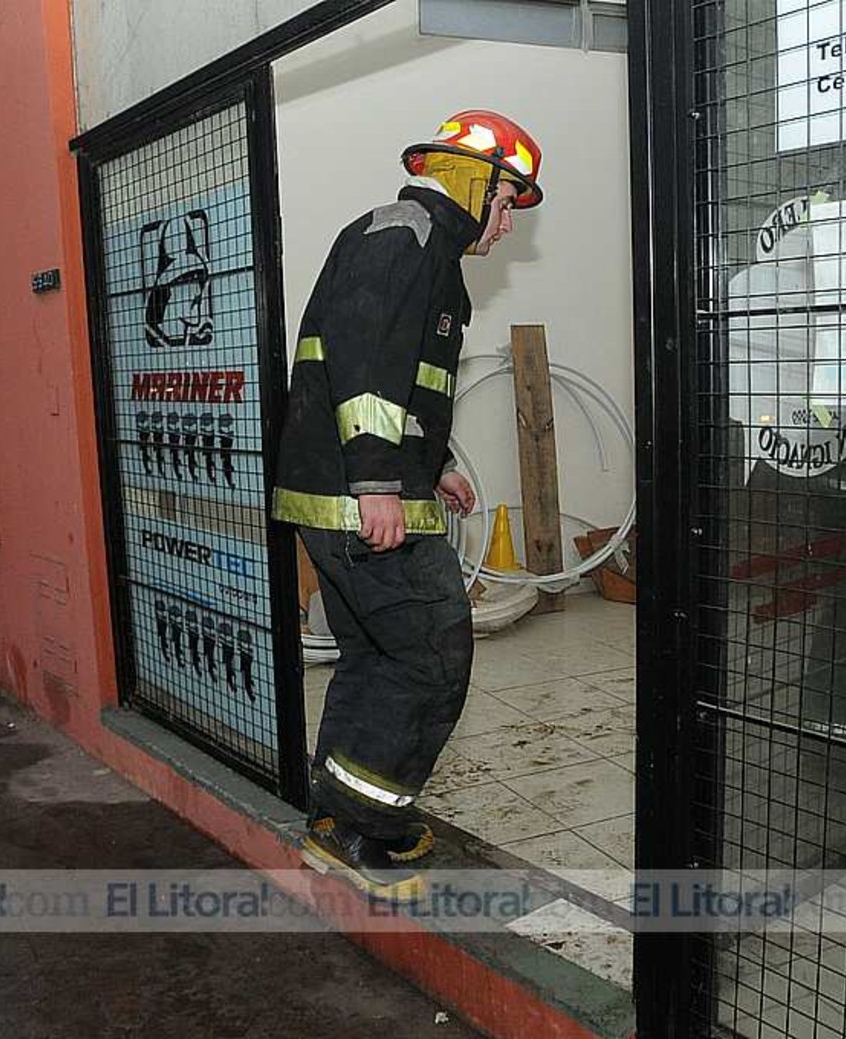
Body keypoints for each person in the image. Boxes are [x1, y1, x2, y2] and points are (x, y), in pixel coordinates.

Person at [271, 110, 545, 900]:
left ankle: (337, 813)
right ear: (473, 180)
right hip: (358, 501)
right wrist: (378, 484)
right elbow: (360, 364)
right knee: (431, 656)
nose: (502, 228)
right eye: (504, 204)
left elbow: (402, 382)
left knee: (374, 655)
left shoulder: (416, 247)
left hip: (342, 496)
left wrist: (431, 470)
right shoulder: (407, 236)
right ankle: (367, 831)